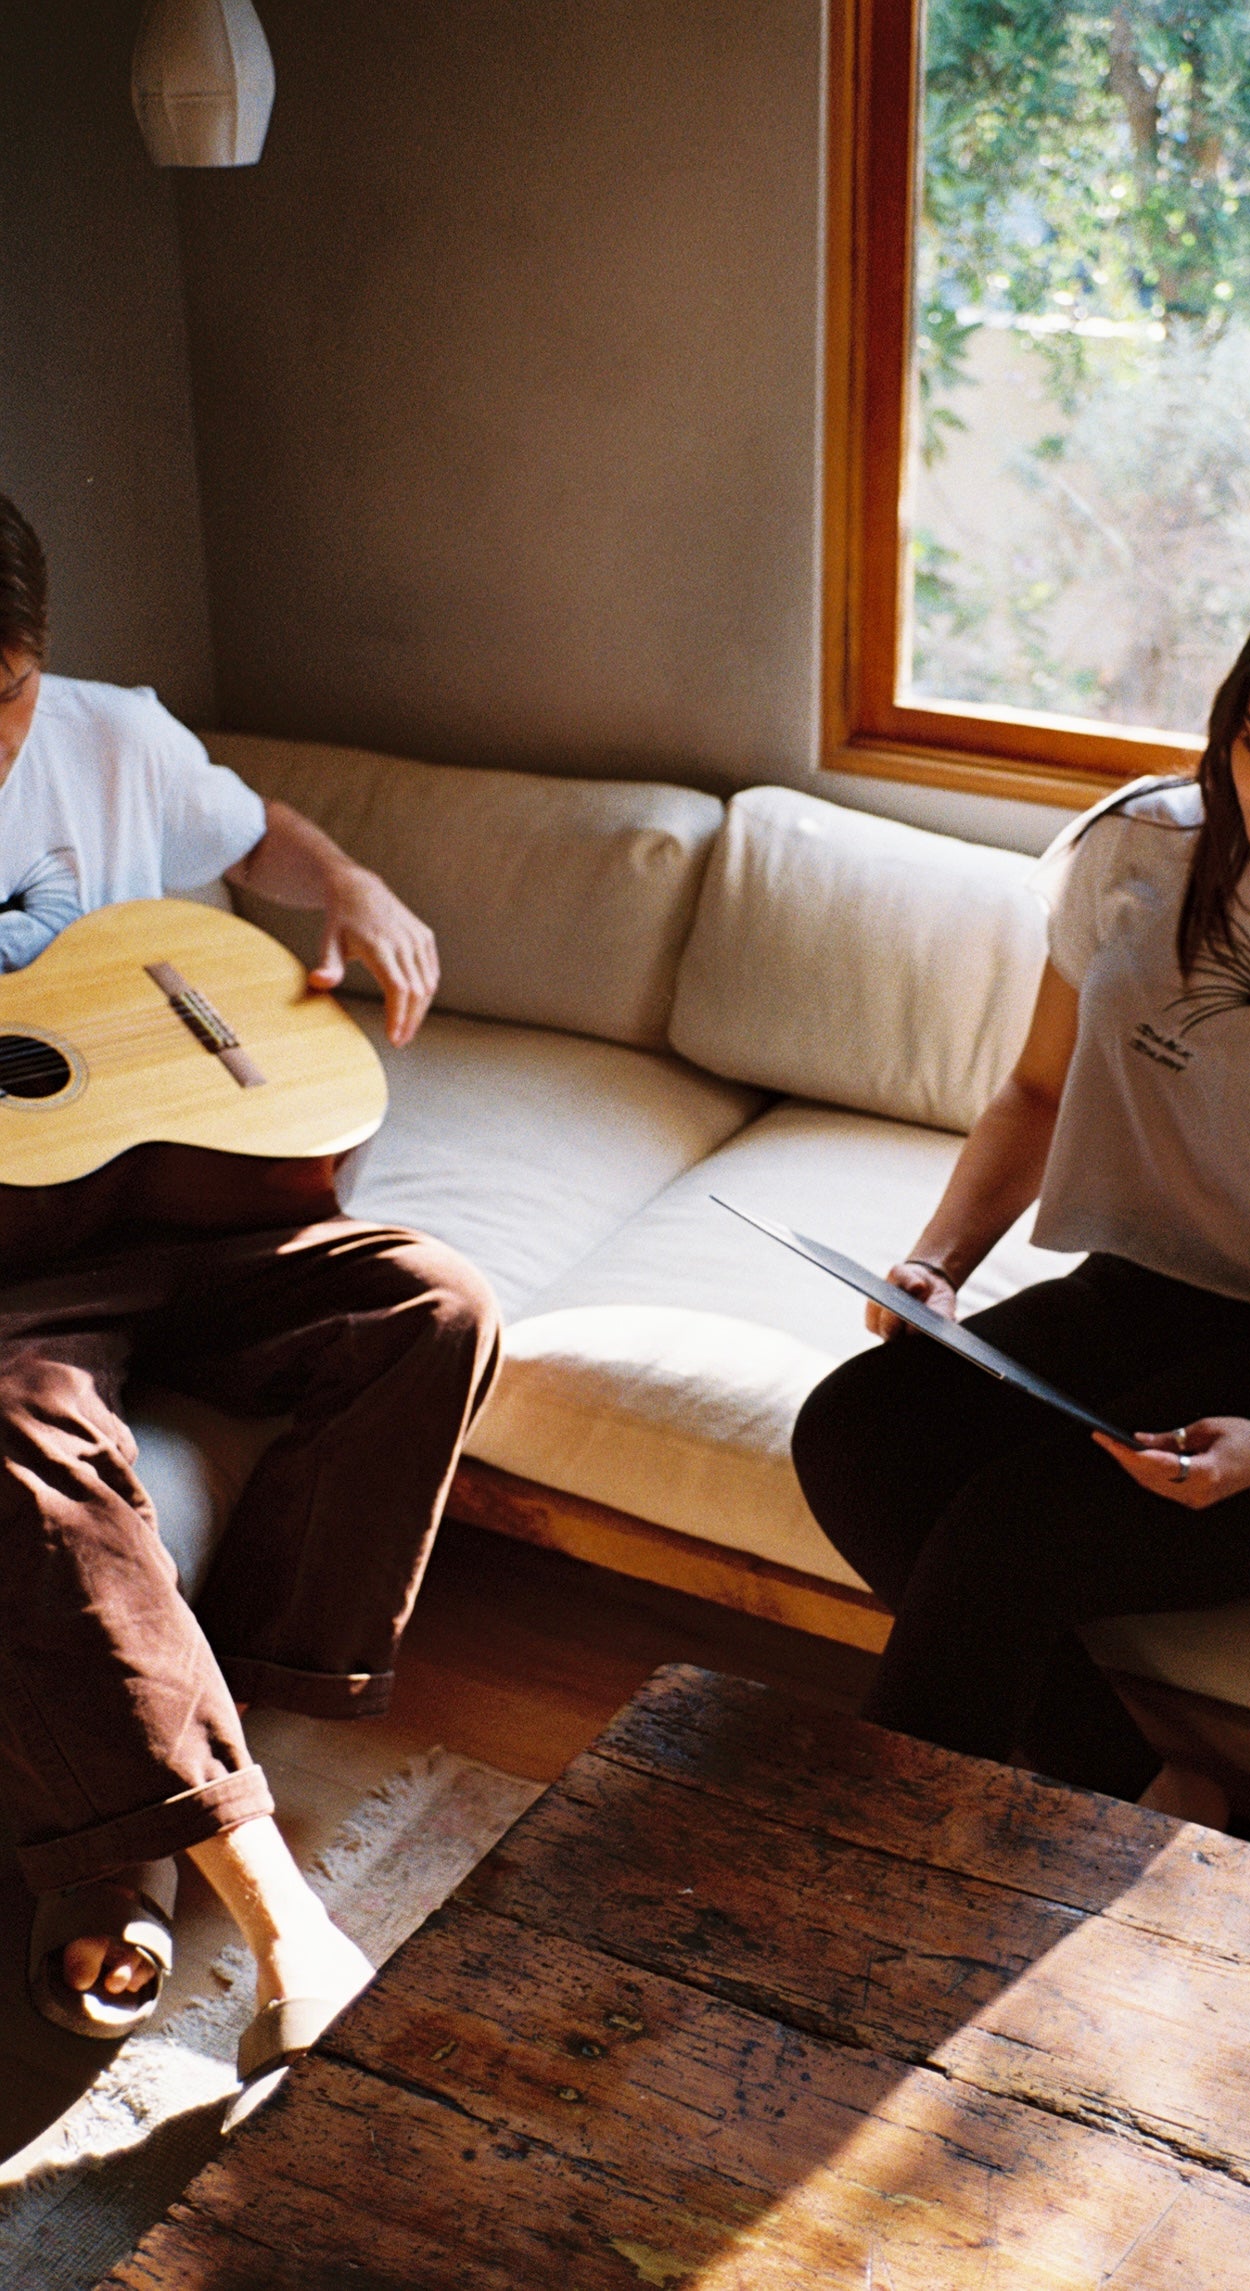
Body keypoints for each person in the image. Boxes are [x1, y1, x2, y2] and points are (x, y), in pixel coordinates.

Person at [792, 558, 1250, 1826]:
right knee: (853, 1430)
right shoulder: (1141, 850)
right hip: (1140, 1299)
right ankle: (1144, 1781)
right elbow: (1033, 1092)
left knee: (1003, 1534)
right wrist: (939, 1263)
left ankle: (876, 1857)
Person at [0, 494, 500, 2093]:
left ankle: (246, 1702)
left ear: (40, 658)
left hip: (196, 1203)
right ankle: (271, 1904)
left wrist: (347, 879)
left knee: (436, 1305)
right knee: (30, 1451)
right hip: (20, 1272)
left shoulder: (110, 736)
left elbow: (255, 827)